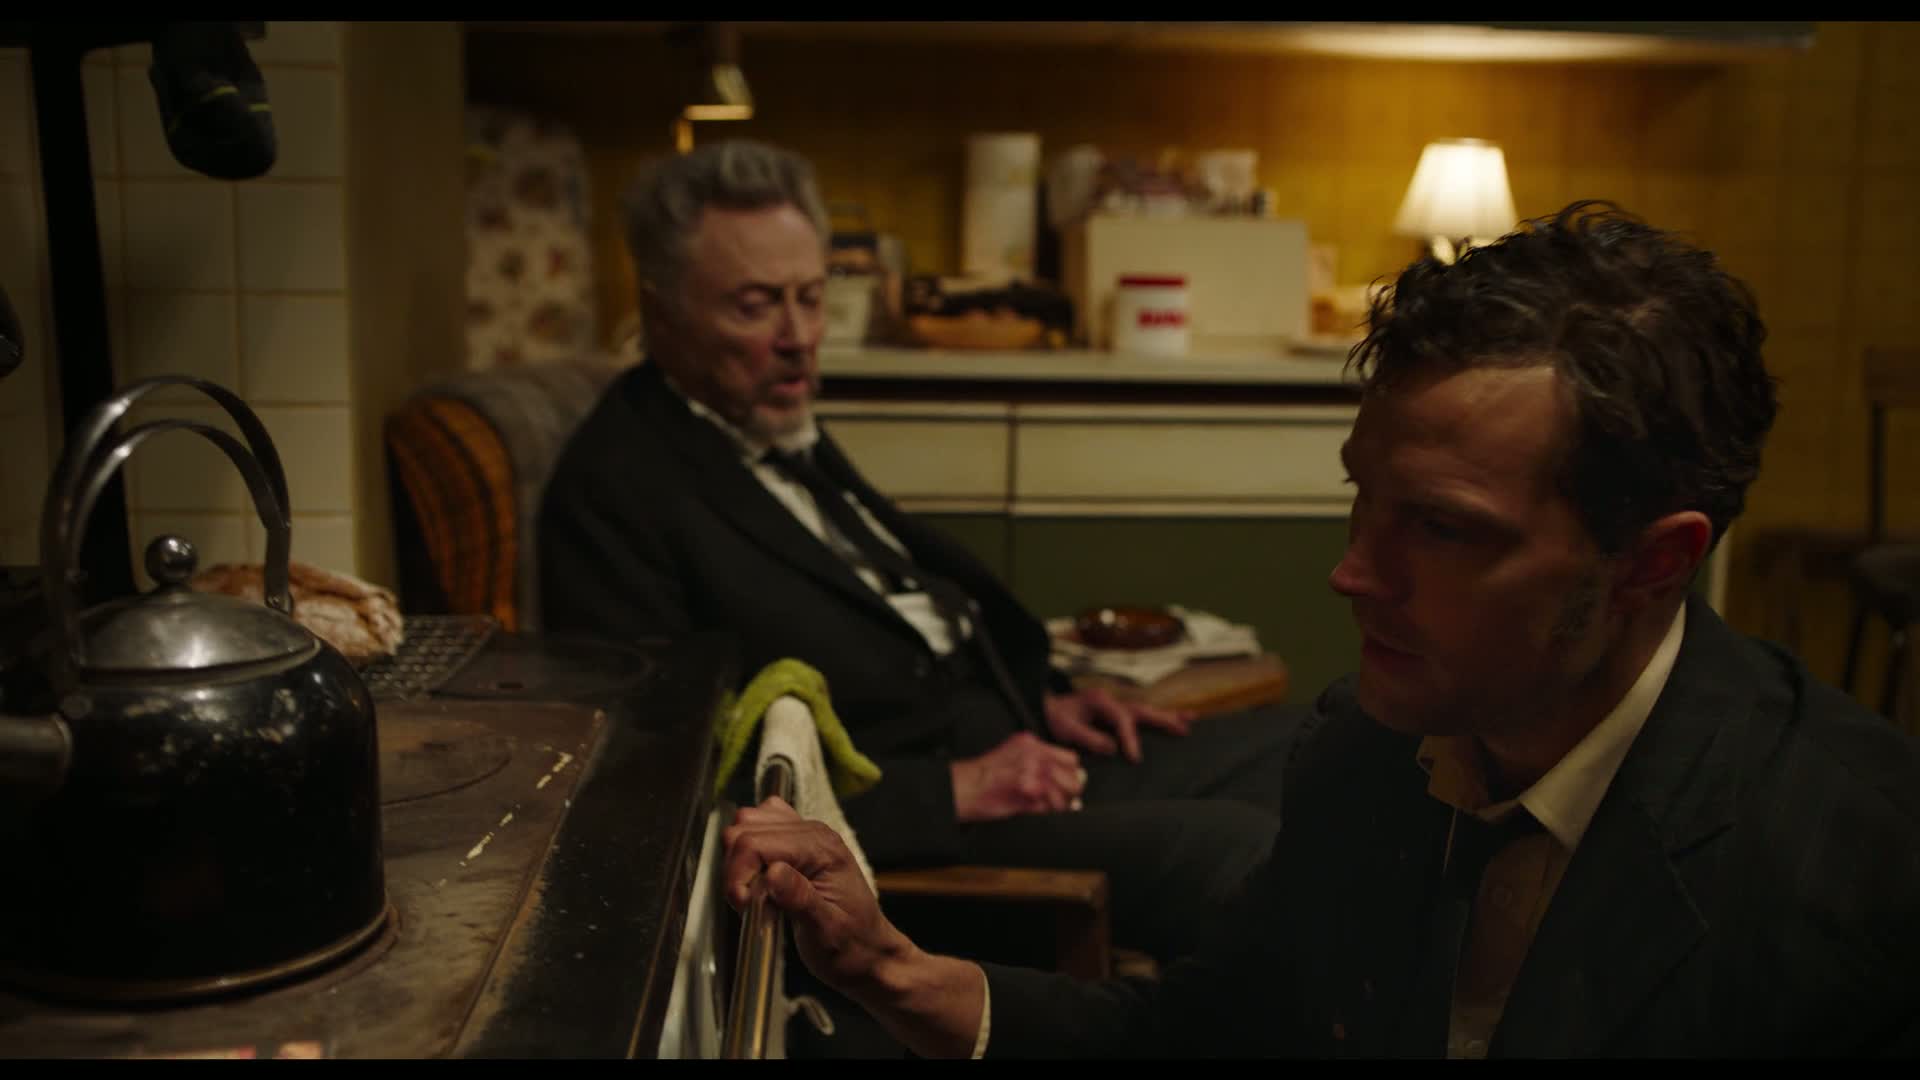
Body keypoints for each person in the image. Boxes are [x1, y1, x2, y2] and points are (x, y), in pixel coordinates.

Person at [719, 201, 1920, 1058]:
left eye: (1441, 529)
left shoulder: (1853, 879)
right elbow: (1213, 1033)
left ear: (1653, 564)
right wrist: (897, 971)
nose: (1350, 573)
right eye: (1363, 498)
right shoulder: (1371, 751)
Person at [538, 139, 1305, 976]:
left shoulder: (758, 418)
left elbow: (898, 605)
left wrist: (1040, 698)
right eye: (756, 306)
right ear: (660, 312)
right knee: (1242, 852)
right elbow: (657, 788)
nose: (799, 336)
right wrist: (956, 790)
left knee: (1313, 753)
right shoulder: (613, 491)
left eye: (810, 297)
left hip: (1016, 740)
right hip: (919, 832)